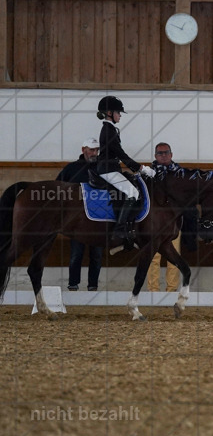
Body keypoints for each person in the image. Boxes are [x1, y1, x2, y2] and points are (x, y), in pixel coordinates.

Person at [96, 96, 155, 249]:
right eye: (118, 112)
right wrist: (141, 168)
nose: (120, 115)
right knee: (133, 193)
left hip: (112, 168)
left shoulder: (111, 129)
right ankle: (120, 230)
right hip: (107, 170)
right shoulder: (108, 130)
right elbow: (121, 154)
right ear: (109, 113)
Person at [57, 138, 103, 291]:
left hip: (98, 221)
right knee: (76, 254)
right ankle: (73, 284)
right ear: (84, 149)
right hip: (77, 222)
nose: (94, 153)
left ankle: (93, 286)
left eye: (96, 150)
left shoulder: (103, 168)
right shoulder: (71, 169)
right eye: (91, 149)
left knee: (97, 256)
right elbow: (57, 187)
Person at [146, 142, 183, 292]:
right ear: (155, 156)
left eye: (166, 152)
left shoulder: (180, 173)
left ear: (171, 154)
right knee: (152, 257)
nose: (163, 155)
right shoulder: (147, 173)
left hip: (173, 220)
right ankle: (153, 290)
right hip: (153, 221)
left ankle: (172, 290)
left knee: (173, 256)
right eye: (160, 153)